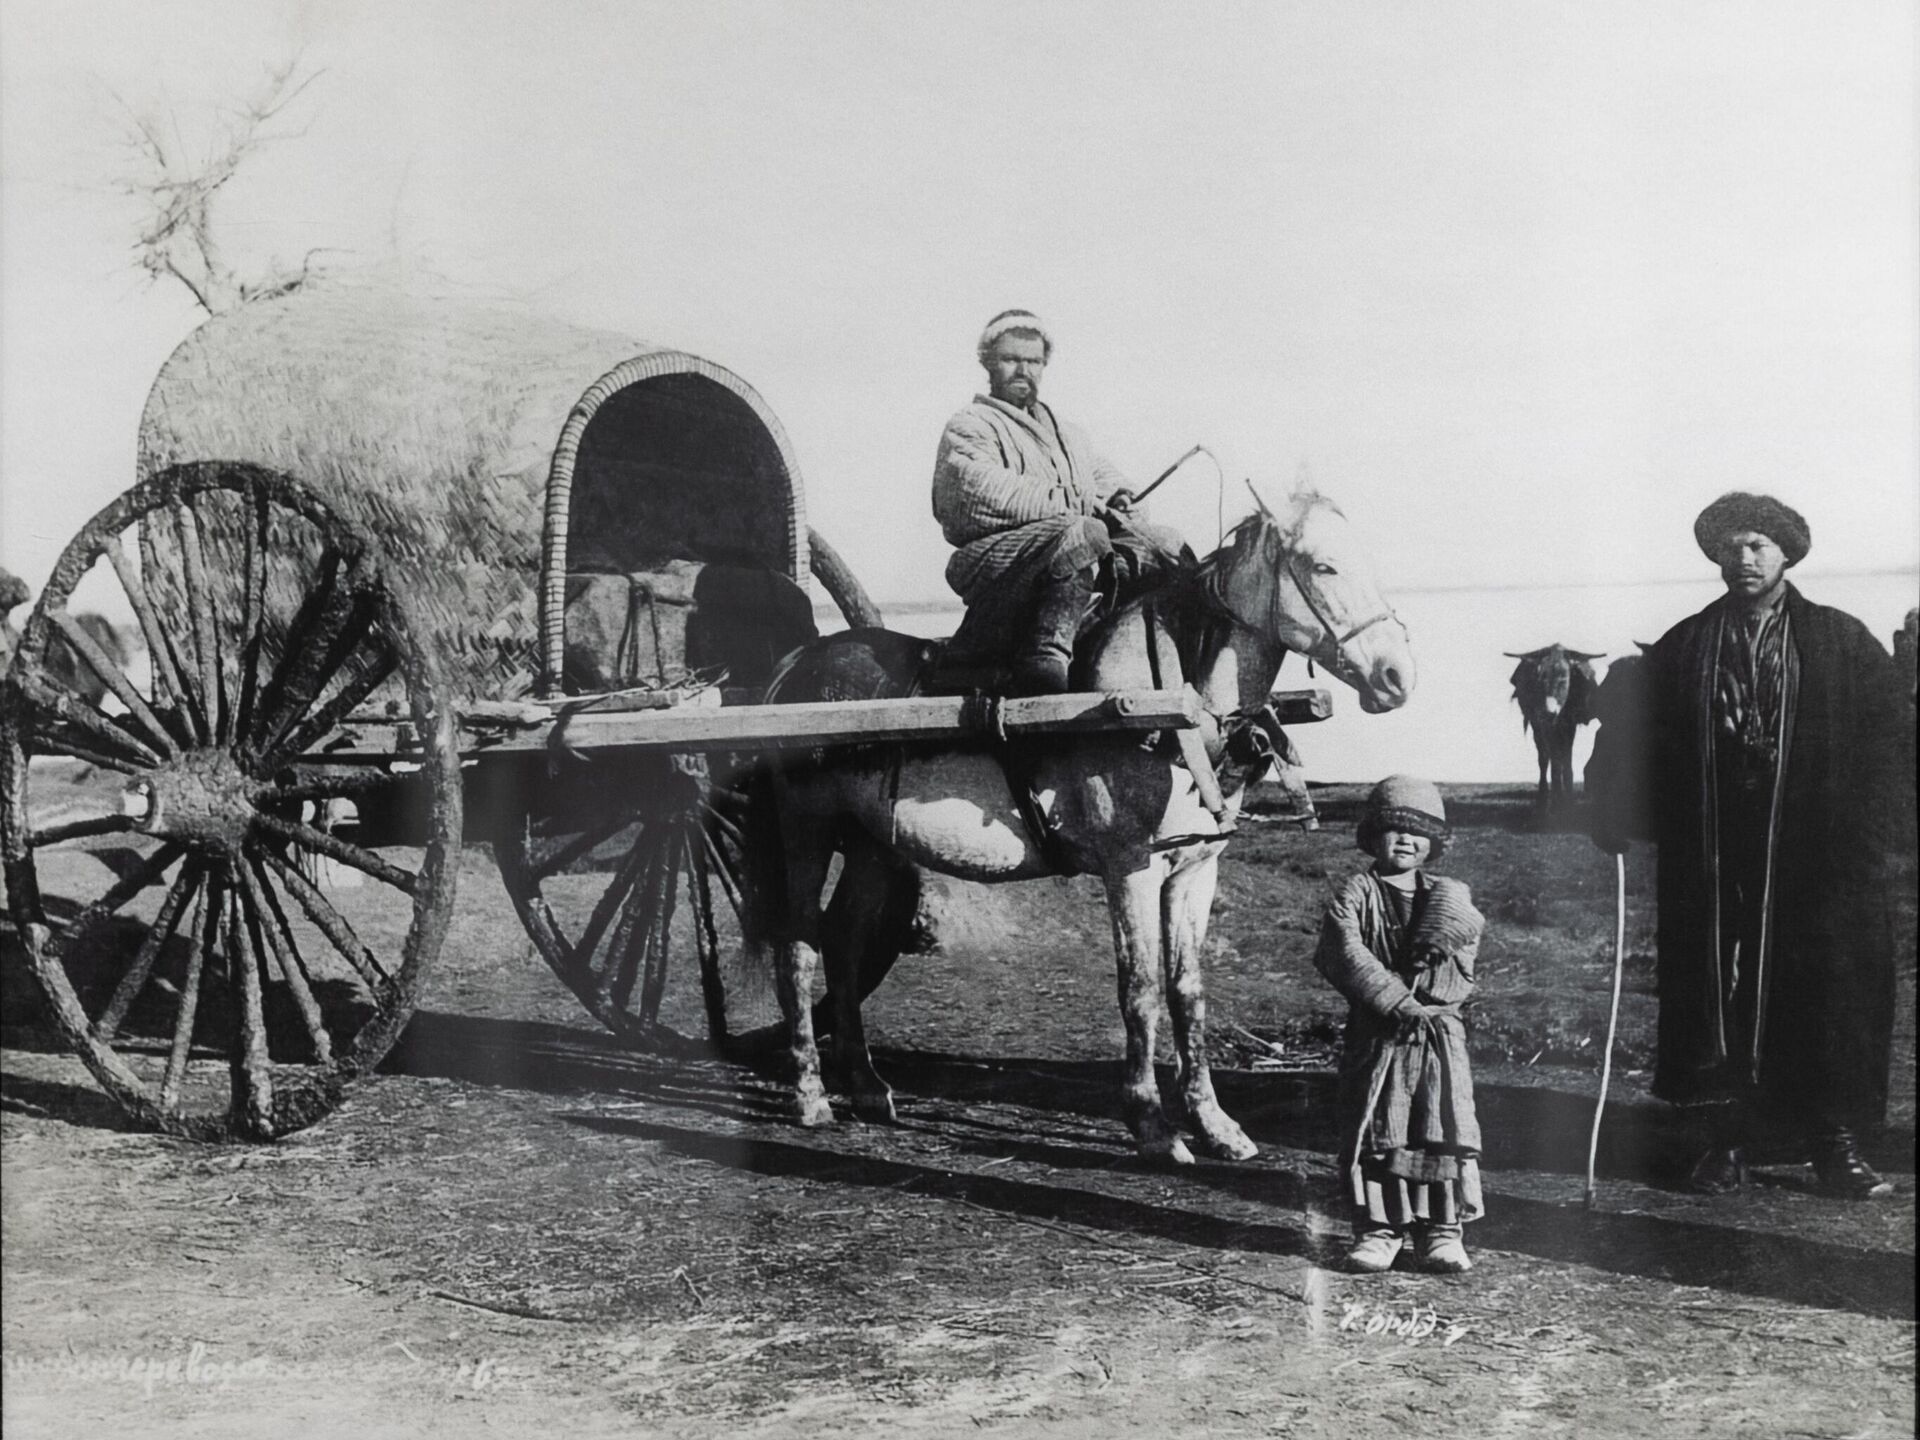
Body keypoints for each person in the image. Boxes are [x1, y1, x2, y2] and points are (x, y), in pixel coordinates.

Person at [1588, 493, 1909, 1199]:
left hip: (1819, 855)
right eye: (1731, 547)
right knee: (1717, 988)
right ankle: (1722, 1140)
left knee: (1826, 987)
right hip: (1715, 849)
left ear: (1788, 553)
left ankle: (1834, 1143)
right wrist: (1610, 802)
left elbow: (1891, 738)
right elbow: (1630, 732)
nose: (1744, 559)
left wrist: (1873, 828)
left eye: (1759, 544)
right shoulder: (1686, 645)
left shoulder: (1838, 640)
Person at [931, 309, 1189, 694]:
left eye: (1033, 361)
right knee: (1081, 530)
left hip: (1068, 549)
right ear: (987, 362)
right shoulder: (971, 425)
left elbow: (1105, 480)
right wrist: (1076, 502)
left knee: (1165, 544)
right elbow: (979, 491)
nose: (1023, 370)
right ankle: (1044, 657)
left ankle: (1155, 652)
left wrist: (1124, 500)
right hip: (997, 564)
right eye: (1010, 359)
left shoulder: (1068, 435)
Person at [1312, 775, 1485, 1274]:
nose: (1406, 840)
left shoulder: (1453, 899)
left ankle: (1441, 1230)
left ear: (1435, 841)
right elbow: (1343, 952)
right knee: (1380, 1130)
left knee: (1438, 1128)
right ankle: (1380, 1230)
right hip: (1378, 1035)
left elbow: (1462, 963)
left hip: (1436, 1040)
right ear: (1372, 836)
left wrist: (1428, 1001)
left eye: (1419, 831)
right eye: (1393, 829)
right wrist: (1393, 999)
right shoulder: (1356, 894)